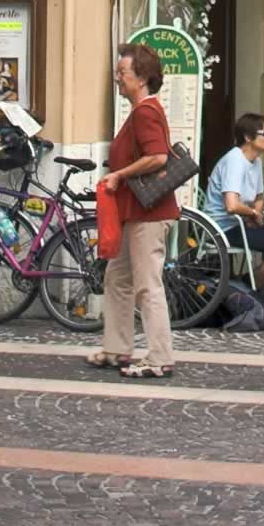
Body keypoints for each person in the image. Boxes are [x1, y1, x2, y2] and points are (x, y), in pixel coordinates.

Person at [95, 41, 181, 379]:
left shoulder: (145, 111)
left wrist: (118, 174)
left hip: (150, 214)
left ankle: (160, 357)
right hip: (136, 212)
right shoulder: (142, 110)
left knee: (147, 285)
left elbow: (158, 156)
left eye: (122, 73)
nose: (117, 78)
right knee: (117, 277)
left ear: (141, 77)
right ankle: (117, 349)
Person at [206, 114, 264, 294]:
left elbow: (259, 197)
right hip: (224, 228)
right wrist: (253, 214)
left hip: (244, 224)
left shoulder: (256, 161)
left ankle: (243, 285)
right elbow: (231, 205)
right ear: (248, 137)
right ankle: (244, 290)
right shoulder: (234, 160)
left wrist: (256, 212)